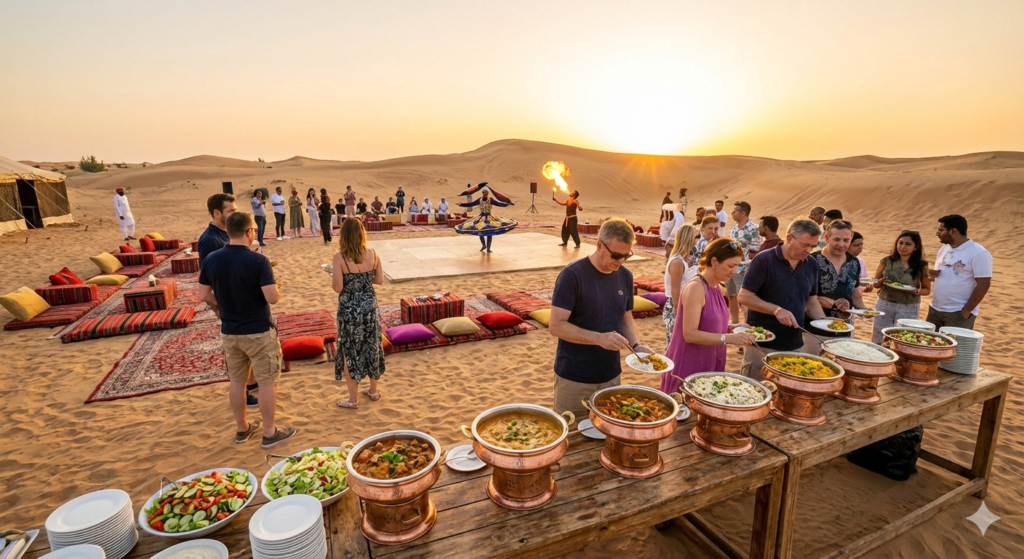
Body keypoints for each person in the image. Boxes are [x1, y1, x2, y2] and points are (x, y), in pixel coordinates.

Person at [197, 211, 296, 449]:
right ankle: (270, 432)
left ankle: (242, 429)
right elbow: (272, 298)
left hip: (230, 330)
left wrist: (221, 306)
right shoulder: (257, 261)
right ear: (249, 231)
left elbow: (203, 295)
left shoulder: (211, 259)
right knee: (266, 381)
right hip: (258, 330)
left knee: (237, 381)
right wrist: (277, 289)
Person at [549, 219, 653, 419]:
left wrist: (636, 345)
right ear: (599, 245)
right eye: (616, 255)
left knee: (608, 433)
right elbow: (556, 326)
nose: (620, 261)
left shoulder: (625, 276)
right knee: (573, 437)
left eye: (626, 256)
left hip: (611, 375)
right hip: (575, 377)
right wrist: (598, 338)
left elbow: (625, 319)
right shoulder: (572, 275)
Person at [661, 238, 756, 394]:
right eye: (731, 266)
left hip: (711, 359)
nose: (735, 271)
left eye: (737, 266)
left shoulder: (715, 286)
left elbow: (710, 325)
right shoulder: (696, 288)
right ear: (714, 261)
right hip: (690, 363)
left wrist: (733, 328)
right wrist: (728, 338)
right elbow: (690, 334)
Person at [738, 219, 828, 380]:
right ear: (789, 238)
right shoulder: (764, 260)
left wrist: (825, 323)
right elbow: (744, 296)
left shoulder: (812, 264)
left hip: (794, 345)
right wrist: (776, 310)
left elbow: (811, 300)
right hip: (761, 344)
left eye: (813, 247)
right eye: (805, 245)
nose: (808, 250)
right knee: (755, 392)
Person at [331, 218, 386, 409]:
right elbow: (379, 280)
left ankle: (353, 400)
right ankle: (373, 391)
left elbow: (338, 287)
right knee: (372, 346)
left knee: (350, 351)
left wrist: (334, 274)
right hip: (369, 307)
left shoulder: (340, 258)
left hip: (349, 310)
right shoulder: (373, 254)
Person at [926, 215, 992, 330]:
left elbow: (984, 284)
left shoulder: (978, 253)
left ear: (954, 231)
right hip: (935, 310)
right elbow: (941, 274)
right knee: (929, 346)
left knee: (956, 348)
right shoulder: (944, 249)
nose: (937, 233)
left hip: (957, 313)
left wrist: (966, 311)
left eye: (941, 230)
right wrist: (933, 275)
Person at [806, 220, 863, 351]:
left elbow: (854, 290)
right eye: (837, 239)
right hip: (814, 331)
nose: (841, 245)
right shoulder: (811, 260)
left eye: (846, 240)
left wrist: (863, 308)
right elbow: (801, 294)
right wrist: (817, 301)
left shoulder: (854, 262)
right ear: (826, 238)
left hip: (844, 328)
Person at [870, 230, 931, 344]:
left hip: (908, 307)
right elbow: (875, 284)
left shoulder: (921, 265)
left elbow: (927, 290)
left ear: (916, 247)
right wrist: (881, 281)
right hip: (885, 303)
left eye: (908, 244)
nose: (902, 246)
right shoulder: (887, 261)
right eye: (900, 243)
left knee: (902, 338)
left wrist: (915, 291)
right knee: (879, 336)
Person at [663, 224, 699, 346]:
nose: (698, 239)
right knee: (674, 344)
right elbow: (675, 289)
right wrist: (678, 311)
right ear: (689, 238)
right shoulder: (677, 261)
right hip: (677, 305)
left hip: (684, 305)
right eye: (697, 236)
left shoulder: (683, 259)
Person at [455, 184, 517, 252]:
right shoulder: (480, 200)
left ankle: (488, 248)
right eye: (484, 193)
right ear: (482, 193)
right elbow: (471, 204)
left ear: (487, 193)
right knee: (479, 230)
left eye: (486, 193)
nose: (485, 194)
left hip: (489, 218)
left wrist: (506, 204)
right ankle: (484, 245)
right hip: (481, 217)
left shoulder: (490, 200)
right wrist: (461, 204)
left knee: (490, 231)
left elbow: (499, 204)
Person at [727, 201, 761, 324]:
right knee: (731, 295)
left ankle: (748, 323)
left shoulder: (753, 229)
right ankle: (735, 322)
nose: (732, 213)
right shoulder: (733, 227)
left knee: (743, 297)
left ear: (743, 213)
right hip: (729, 266)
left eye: (735, 211)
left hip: (743, 267)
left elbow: (756, 249)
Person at [198, 193, 235, 268]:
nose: (235, 214)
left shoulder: (229, 232)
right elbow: (212, 274)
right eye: (231, 211)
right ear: (217, 213)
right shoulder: (209, 240)